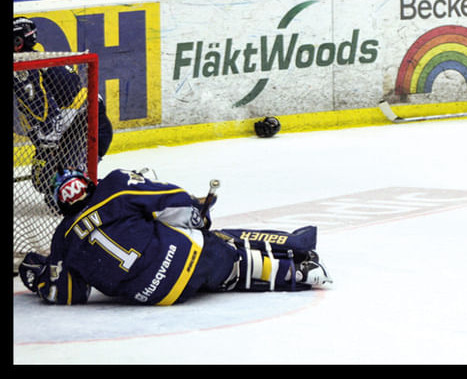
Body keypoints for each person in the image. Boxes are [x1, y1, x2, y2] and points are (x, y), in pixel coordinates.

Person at [17, 167, 332, 306]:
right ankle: (298, 271)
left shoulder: (62, 238)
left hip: (156, 298)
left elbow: (68, 293)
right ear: (89, 183)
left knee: (213, 266)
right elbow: (174, 201)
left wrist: (35, 272)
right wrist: (200, 213)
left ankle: (293, 265)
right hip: (188, 257)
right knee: (222, 254)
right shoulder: (114, 186)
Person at [14, 17, 114, 204]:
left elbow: (49, 124)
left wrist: (48, 153)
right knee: (45, 181)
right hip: (78, 126)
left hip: (90, 129)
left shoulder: (27, 70)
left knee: (66, 197)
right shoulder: (33, 61)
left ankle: (104, 196)